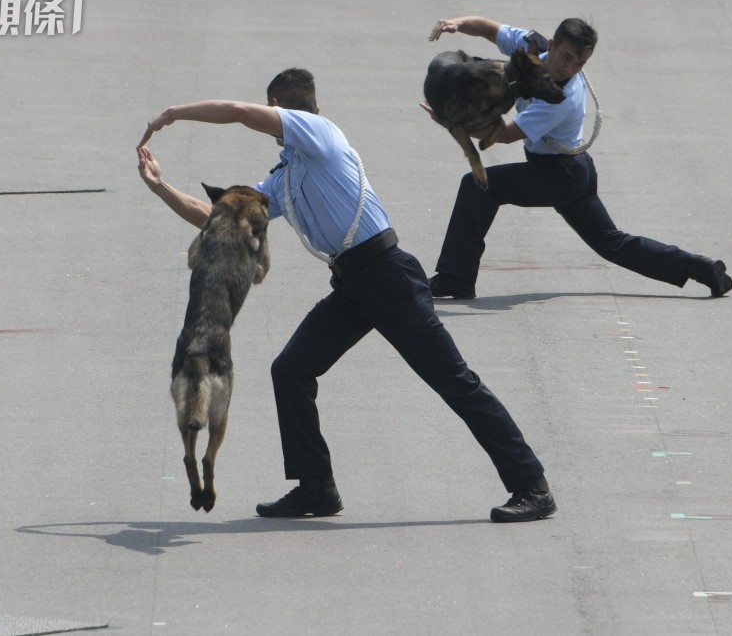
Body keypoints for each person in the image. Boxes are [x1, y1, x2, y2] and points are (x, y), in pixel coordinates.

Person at [136, 68, 556, 522]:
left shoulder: (320, 134)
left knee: (455, 382)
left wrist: (174, 113)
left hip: (389, 276)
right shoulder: (284, 177)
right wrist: (161, 186)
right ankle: (316, 487)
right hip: (354, 283)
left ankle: (531, 485)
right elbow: (219, 220)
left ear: (286, 111)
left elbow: (239, 113)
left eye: (276, 112)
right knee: (291, 370)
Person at [422, 16, 732, 300]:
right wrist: (457, 24)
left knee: (478, 186)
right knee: (613, 243)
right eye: (566, 57)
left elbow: (502, 135)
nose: (568, 67)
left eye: (579, 63)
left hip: (558, 175)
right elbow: (491, 30)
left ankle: (455, 278)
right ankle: (700, 268)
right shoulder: (530, 48)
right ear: (551, 45)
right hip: (576, 170)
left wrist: (449, 118)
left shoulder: (560, 100)